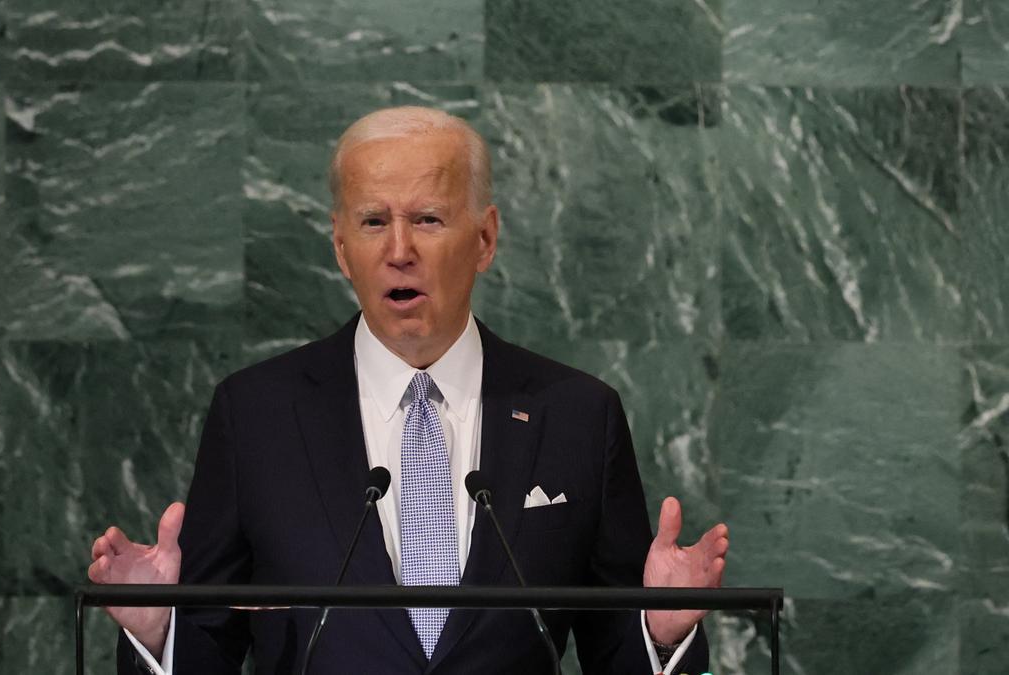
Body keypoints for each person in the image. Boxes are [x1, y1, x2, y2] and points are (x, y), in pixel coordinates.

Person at [88, 106, 729, 674]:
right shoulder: (256, 413)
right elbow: (211, 644)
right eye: (372, 222)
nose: (399, 250)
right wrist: (158, 631)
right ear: (341, 248)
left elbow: (612, 645)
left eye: (427, 218)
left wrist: (659, 634)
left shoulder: (578, 414)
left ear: (484, 239)